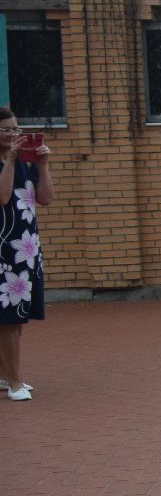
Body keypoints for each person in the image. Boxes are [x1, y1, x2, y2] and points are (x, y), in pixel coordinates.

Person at [1, 106, 53, 402]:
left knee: (16, 317)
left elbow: (46, 199)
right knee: (8, 318)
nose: (13, 135)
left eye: (16, 129)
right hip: (1, 249)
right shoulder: (10, 162)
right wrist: (9, 161)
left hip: (25, 248)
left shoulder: (26, 161)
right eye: (6, 130)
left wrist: (43, 165)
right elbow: (2, 197)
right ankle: (15, 380)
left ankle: (5, 373)